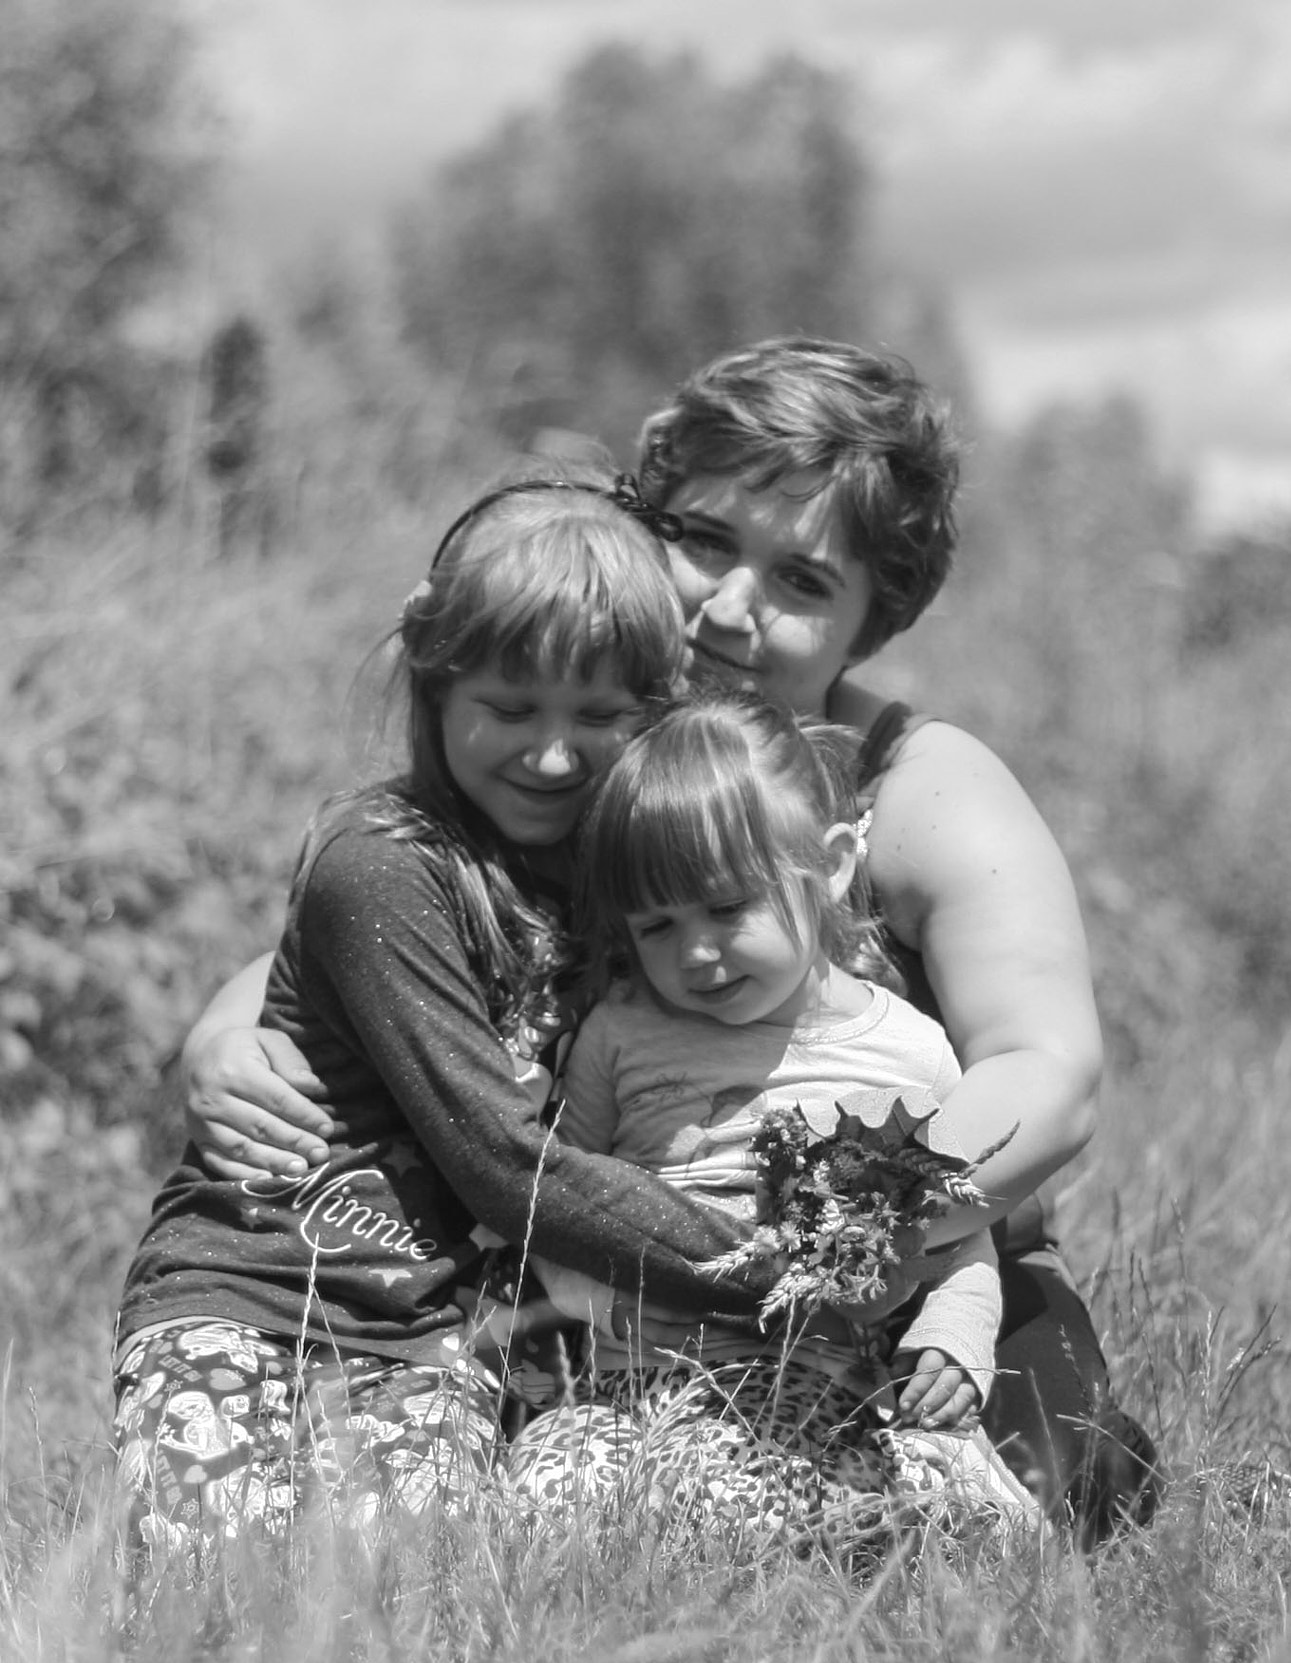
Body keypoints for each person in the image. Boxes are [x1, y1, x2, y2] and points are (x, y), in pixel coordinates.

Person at [178, 336, 1161, 1546]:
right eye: (702, 540)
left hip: (922, 1262)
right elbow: (392, 908)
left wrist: (832, 1237)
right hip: (628, 1268)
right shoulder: (583, 745)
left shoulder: (920, 785)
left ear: (871, 619)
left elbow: (1046, 1071)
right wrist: (230, 1020)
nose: (727, 607)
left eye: (801, 582)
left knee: (1057, 1487)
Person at [113, 474, 786, 1550]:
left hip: (434, 1336)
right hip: (253, 1288)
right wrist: (768, 1267)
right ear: (434, 687)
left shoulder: (639, 886)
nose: (553, 754)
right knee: (218, 1573)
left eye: (600, 716)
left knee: (411, 1592)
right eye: (510, 709)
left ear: (656, 712)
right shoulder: (381, 862)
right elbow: (501, 1162)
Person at [508, 691, 1040, 1538]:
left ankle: (834, 1536)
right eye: (656, 927)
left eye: (727, 908)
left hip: (837, 1377)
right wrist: (615, 1307)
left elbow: (959, 1233)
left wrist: (954, 1340)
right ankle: (763, 1533)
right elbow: (556, 1205)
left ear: (830, 865)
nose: (697, 953)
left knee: (980, 1519)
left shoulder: (907, 1051)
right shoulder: (618, 1036)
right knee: (545, 1493)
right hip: (646, 1377)